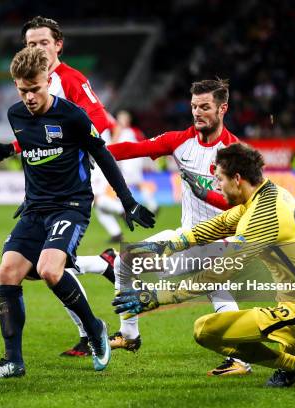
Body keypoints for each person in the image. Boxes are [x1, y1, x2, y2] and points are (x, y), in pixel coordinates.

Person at [113, 142, 295, 387]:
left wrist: (158, 296)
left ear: (237, 178)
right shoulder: (269, 195)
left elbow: (219, 273)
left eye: (220, 180)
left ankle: (291, 366)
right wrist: (162, 246)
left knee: (205, 330)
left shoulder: (261, 215)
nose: (218, 187)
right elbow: (214, 227)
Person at [0, 47, 155, 380]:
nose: (29, 97)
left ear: (48, 80)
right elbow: (32, 154)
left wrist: (127, 200)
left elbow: (102, 156)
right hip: (35, 209)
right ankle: (12, 361)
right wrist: (25, 186)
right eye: (22, 90)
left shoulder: (73, 116)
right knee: (7, 272)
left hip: (72, 205)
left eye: (35, 88)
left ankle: (95, 330)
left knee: (48, 270)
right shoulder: (15, 115)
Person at [75, 79, 251, 376]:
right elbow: (135, 148)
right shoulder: (181, 141)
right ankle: (131, 336)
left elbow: (247, 209)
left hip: (220, 242)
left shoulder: (237, 154)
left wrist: (205, 194)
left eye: (205, 107)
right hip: (190, 238)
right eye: (194, 106)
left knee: (210, 289)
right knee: (127, 263)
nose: (198, 112)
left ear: (223, 109)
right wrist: (92, 149)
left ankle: (132, 336)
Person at [0, 15, 123, 357]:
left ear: (58, 44)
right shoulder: (25, 89)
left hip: (73, 180)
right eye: (30, 44)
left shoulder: (72, 81)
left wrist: (70, 145)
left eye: (43, 43)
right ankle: (104, 267)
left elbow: (96, 123)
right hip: (43, 188)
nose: (37, 48)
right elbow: (39, 135)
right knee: (38, 269)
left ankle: (89, 331)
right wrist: (16, 149)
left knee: (52, 266)